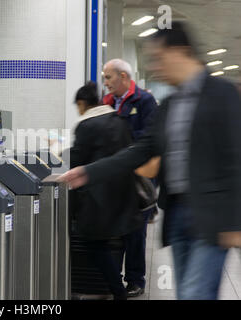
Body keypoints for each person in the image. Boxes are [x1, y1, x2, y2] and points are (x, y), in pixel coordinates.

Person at [58, 22, 241, 300]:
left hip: (211, 215)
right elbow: (140, 150)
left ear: (180, 51)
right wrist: (88, 172)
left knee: (196, 294)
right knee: (190, 293)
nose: (155, 67)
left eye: (158, 58)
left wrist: (234, 221)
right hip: (178, 213)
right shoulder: (169, 105)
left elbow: (235, 156)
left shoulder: (222, 94)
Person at [69, 81, 143, 300]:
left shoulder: (86, 125)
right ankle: (126, 283)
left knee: (96, 244)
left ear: (82, 104)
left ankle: (117, 290)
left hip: (98, 198)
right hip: (123, 192)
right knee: (122, 240)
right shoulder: (118, 121)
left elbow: (77, 161)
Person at [102, 58, 158, 297]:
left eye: (108, 77)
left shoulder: (143, 101)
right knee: (113, 230)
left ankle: (136, 279)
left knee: (135, 232)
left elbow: (151, 140)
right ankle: (112, 279)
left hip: (137, 179)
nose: (105, 83)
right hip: (113, 178)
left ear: (123, 77)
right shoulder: (106, 103)